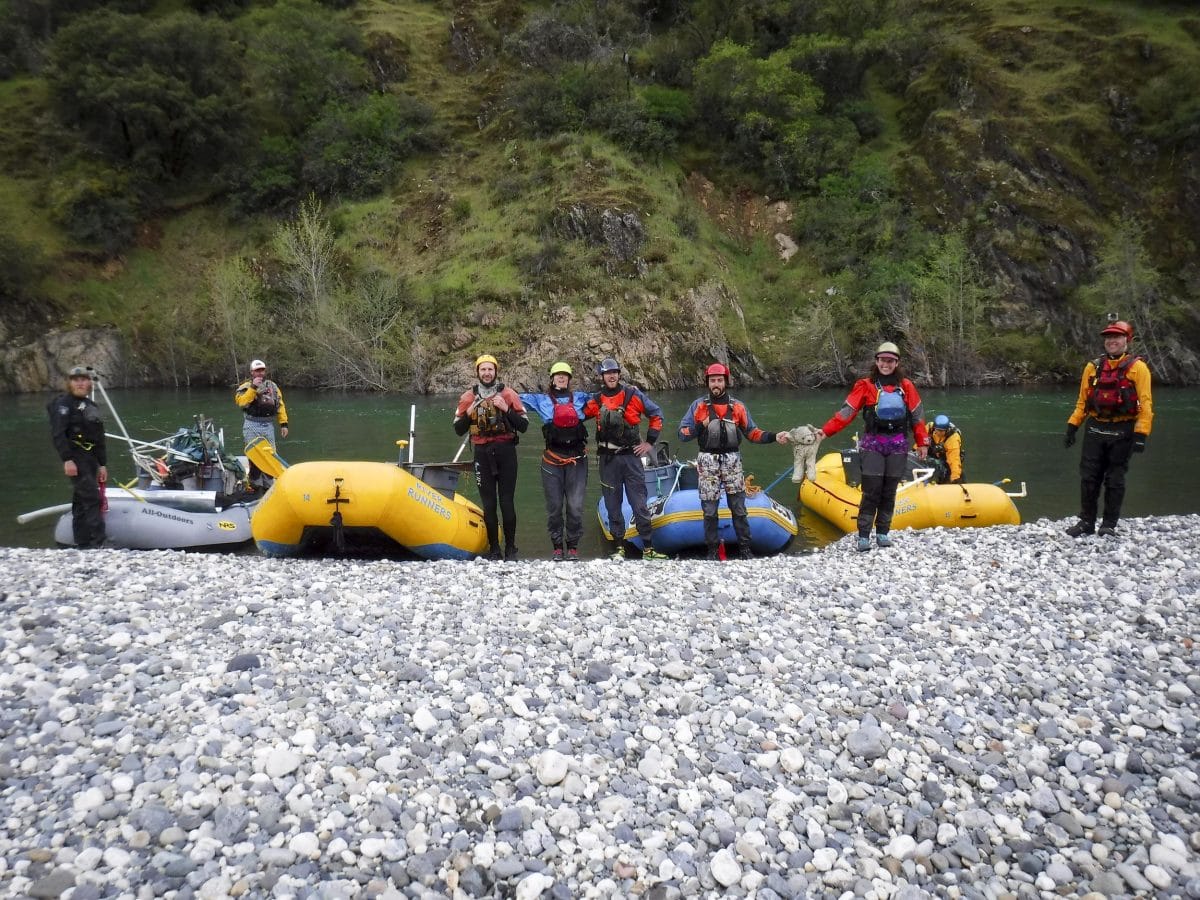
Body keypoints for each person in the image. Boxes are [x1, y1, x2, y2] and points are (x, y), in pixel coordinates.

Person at [816, 342, 929, 551]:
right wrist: (825, 431)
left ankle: (883, 533)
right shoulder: (865, 385)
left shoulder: (906, 386)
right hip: (873, 444)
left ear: (896, 363)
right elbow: (846, 413)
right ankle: (864, 536)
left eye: (890, 361)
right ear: (876, 362)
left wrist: (922, 442)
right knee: (871, 491)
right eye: (882, 360)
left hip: (898, 445)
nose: (886, 364)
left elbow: (917, 417)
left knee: (889, 491)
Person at [678, 363, 790, 560]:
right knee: (710, 510)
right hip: (707, 460)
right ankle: (712, 551)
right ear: (707, 383)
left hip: (732, 460)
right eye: (712, 380)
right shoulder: (698, 406)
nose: (716, 384)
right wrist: (699, 426)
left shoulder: (737, 407)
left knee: (738, 508)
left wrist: (774, 436)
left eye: (719, 380)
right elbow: (682, 434)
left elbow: (753, 433)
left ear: (726, 382)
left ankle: (745, 549)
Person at [1064, 319, 1153, 537]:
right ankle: (1086, 521)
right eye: (1109, 337)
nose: (1112, 341)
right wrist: (1073, 426)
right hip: (1095, 429)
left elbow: (1145, 403)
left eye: (1117, 337)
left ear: (1127, 340)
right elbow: (1082, 402)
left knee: (1114, 479)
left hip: (1123, 430)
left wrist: (1141, 433)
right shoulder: (1092, 367)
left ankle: (1109, 524)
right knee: (1089, 477)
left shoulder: (1138, 368)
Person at [582, 357, 668, 560]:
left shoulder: (633, 395)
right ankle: (618, 547)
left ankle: (648, 548)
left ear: (619, 374)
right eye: (607, 373)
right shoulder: (596, 400)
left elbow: (657, 415)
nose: (611, 376)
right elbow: (577, 418)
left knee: (639, 503)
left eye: (614, 372)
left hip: (631, 457)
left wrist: (649, 443)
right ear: (602, 376)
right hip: (607, 460)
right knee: (613, 504)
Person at [454, 354, 529, 560]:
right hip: (482, 455)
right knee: (488, 504)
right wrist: (469, 413)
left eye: (490, 369)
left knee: (506, 502)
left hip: (505, 453)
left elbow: (523, 426)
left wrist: (506, 409)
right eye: (483, 370)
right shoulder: (468, 397)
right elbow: (458, 430)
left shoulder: (509, 395)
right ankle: (494, 549)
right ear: (477, 372)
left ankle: (511, 548)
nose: (487, 373)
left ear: (496, 371)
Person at [519, 362, 594, 561]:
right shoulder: (540, 400)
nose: (561, 378)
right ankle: (557, 546)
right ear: (551, 379)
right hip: (552, 461)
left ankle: (573, 546)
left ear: (569, 379)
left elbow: (606, 398)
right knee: (554, 508)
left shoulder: (580, 398)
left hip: (577, 461)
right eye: (558, 375)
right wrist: (499, 393)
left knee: (575, 507)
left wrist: (630, 391)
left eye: (565, 375)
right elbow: (514, 400)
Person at [47, 366, 108, 548]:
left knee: (81, 501)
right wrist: (67, 459)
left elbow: (99, 438)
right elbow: (58, 434)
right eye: (76, 379)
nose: (80, 383)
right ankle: (98, 543)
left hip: (90, 458)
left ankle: (82, 543)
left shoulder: (91, 406)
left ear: (89, 383)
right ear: (69, 383)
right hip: (75, 456)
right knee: (92, 498)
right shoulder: (63, 405)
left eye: (83, 379)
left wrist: (102, 464)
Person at [235, 359, 289, 491]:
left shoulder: (273, 386)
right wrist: (253, 388)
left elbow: (280, 405)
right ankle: (255, 484)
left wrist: (283, 423)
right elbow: (242, 402)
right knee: (254, 456)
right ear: (252, 372)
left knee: (270, 455)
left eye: (262, 370)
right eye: (257, 370)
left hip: (268, 425)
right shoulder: (245, 387)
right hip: (251, 424)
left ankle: (269, 485)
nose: (260, 373)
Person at [926, 414, 964, 484]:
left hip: (947, 459)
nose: (940, 433)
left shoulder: (953, 438)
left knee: (952, 478)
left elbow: (954, 460)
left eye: (942, 431)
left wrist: (955, 478)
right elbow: (920, 443)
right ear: (934, 428)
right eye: (938, 430)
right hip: (934, 455)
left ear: (946, 430)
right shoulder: (929, 428)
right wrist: (914, 453)